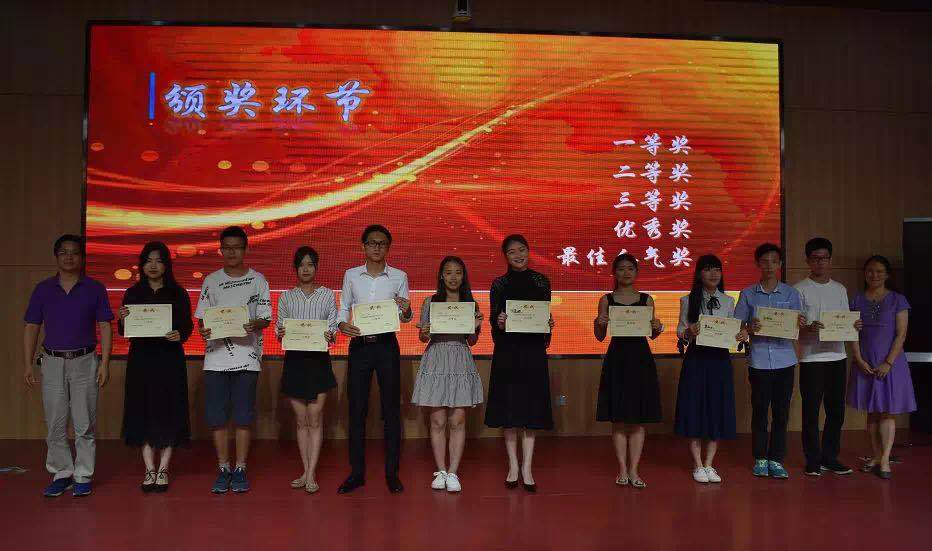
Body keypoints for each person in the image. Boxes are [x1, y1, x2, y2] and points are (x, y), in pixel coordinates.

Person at [23, 234, 114, 498]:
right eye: (64, 252)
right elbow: (31, 326)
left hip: (85, 361)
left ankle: (83, 474)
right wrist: (27, 364)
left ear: (82, 258)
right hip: (52, 362)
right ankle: (62, 473)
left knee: (84, 423)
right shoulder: (43, 289)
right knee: (55, 422)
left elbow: (105, 326)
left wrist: (105, 363)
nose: (69, 257)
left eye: (74, 252)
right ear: (56, 256)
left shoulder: (95, 288)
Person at [194, 226, 272, 494]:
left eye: (237, 247)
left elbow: (265, 318)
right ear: (221, 250)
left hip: (247, 358)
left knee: (242, 417)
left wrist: (253, 324)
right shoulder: (211, 281)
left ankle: (240, 468)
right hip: (215, 359)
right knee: (217, 418)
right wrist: (204, 329)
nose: (231, 252)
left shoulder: (258, 280)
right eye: (227, 248)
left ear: (245, 249)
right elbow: (202, 318)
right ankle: (223, 467)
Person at [336, 224, 413, 494]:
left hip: (386, 346)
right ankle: (356, 473)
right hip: (359, 346)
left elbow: (405, 317)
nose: (377, 247)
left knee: (391, 410)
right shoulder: (351, 275)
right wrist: (341, 324)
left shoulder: (399, 276)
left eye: (382, 243)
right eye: (372, 243)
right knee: (357, 409)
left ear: (388, 247)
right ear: (363, 246)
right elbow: (344, 308)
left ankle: (392, 474)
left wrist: (407, 311)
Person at [117, 241, 193, 493]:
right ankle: (149, 469)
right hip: (141, 360)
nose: (153, 265)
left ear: (166, 265)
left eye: (158, 261)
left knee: (170, 411)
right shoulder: (132, 293)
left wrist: (179, 335)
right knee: (143, 410)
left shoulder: (178, 293)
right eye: (148, 260)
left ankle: (163, 469)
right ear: (141, 265)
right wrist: (122, 320)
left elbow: (187, 326)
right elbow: (124, 331)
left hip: (169, 360)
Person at [484, 234, 555, 492]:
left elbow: (545, 315)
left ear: (528, 251)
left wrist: (548, 325)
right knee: (510, 410)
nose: (518, 255)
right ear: (506, 256)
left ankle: (528, 468)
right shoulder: (499, 284)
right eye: (512, 251)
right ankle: (513, 466)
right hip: (508, 352)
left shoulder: (541, 281)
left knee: (531, 409)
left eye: (522, 249)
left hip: (533, 352)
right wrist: (499, 322)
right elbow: (494, 320)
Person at [412, 256, 484, 493]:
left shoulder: (471, 304)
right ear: (441, 276)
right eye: (448, 272)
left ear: (464, 276)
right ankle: (441, 471)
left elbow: (472, 341)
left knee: (458, 420)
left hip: (460, 359)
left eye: (458, 272)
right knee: (438, 420)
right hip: (436, 358)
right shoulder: (430, 302)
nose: (453, 277)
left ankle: (453, 472)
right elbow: (423, 337)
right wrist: (424, 331)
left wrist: (475, 326)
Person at [735, 243, 805, 479]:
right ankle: (760, 458)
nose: (769, 266)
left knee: (781, 412)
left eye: (774, 261)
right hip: (759, 361)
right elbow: (737, 328)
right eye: (764, 261)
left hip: (786, 360)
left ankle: (776, 459)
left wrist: (800, 323)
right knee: (760, 411)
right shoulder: (748, 294)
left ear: (780, 264)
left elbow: (797, 325)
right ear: (757, 264)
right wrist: (748, 327)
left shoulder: (791, 294)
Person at [674, 254, 746, 484]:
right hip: (696, 359)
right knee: (695, 407)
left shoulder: (728, 301)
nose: (714, 274)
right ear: (699, 274)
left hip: (720, 360)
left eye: (717, 269)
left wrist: (741, 334)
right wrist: (688, 332)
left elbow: (733, 330)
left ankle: (709, 464)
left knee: (717, 406)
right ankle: (697, 465)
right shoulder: (688, 300)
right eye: (708, 269)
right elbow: (680, 332)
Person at [593, 254, 663, 489]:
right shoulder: (606, 299)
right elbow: (600, 336)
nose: (626, 272)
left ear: (637, 272)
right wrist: (599, 322)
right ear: (614, 273)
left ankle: (634, 469)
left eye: (630, 268)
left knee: (639, 419)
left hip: (641, 359)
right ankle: (622, 469)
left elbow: (653, 335)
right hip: (617, 360)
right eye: (621, 269)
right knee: (619, 418)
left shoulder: (646, 299)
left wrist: (657, 327)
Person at [794, 237, 861, 477]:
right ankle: (813, 460)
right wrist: (807, 327)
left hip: (837, 356)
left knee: (836, 413)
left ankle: (830, 458)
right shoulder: (799, 289)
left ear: (830, 260)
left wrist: (855, 325)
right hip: (811, 359)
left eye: (824, 258)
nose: (820, 262)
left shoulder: (840, 289)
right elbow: (793, 326)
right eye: (815, 258)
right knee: (810, 413)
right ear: (807, 260)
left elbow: (846, 321)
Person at [275, 246, 338, 494]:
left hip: (319, 362)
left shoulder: (327, 295)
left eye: (310, 264)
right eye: (301, 265)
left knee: (315, 417)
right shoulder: (286, 297)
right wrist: (281, 332)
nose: (306, 269)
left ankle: (312, 474)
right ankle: (305, 470)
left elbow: (333, 329)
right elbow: (279, 331)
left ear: (316, 267)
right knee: (301, 421)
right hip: (295, 362)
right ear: (295, 269)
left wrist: (329, 334)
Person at [848, 255, 915, 480]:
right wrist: (858, 359)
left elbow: (901, 334)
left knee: (887, 411)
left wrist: (888, 362)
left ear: (887, 274)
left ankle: (885, 459)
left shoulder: (898, 299)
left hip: (891, 363)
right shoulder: (856, 299)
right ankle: (876, 455)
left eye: (879, 271)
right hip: (865, 361)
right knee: (872, 411)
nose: (874, 275)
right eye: (870, 271)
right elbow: (851, 332)